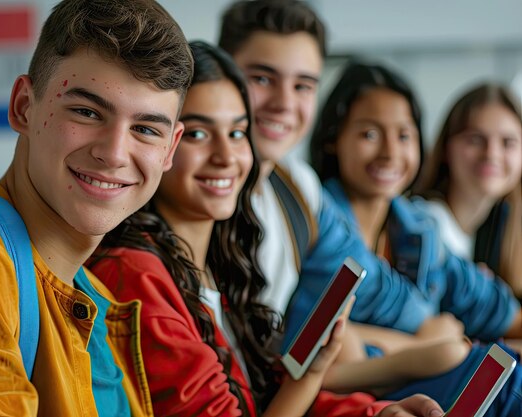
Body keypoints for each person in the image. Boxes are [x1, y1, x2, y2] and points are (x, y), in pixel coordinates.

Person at [89, 40, 445, 417]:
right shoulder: (135, 277)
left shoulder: (216, 269)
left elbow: (263, 399)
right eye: (197, 134)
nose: (226, 157)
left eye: (238, 133)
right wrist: (309, 376)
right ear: (160, 141)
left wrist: (378, 413)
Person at [0, 0, 192, 415]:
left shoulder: (91, 293)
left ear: (169, 149)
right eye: (87, 112)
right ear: (23, 107)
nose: (114, 153)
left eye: (144, 129)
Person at [307, 60, 522, 416]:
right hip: (362, 397)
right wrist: (428, 339)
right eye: (369, 134)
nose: (391, 153)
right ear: (333, 138)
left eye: (404, 136)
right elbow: (344, 335)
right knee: (504, 384)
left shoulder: (416, 227)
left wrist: (414, 342)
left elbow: (490, 304)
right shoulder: (321, 220)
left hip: (410, 378)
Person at [413, 83, 522, 299]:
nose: (491, 154)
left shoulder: (499, 229)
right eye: (475, 139)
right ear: (446, 147)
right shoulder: (425, 222)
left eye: (508, 142)